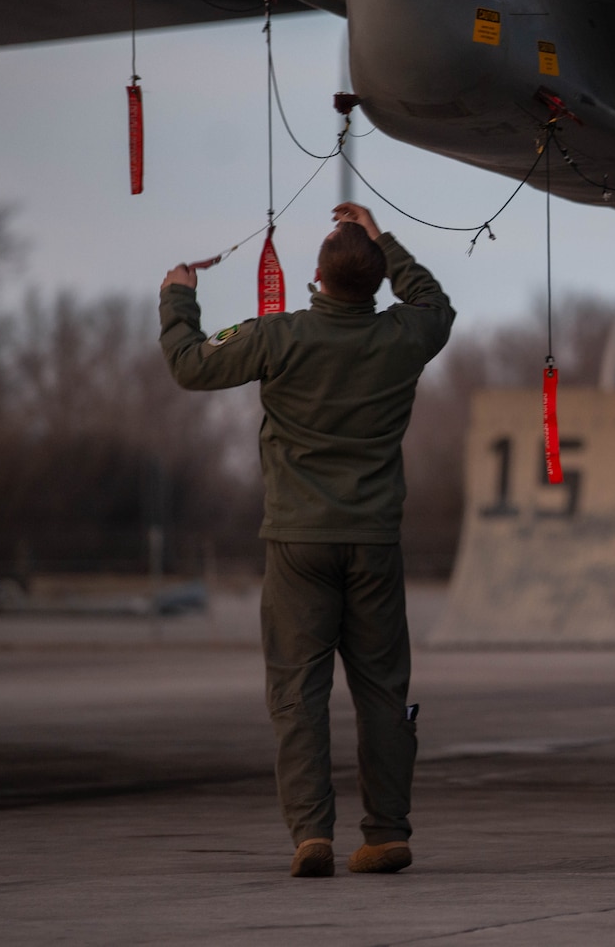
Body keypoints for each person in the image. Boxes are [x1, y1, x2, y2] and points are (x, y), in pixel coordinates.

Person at [158, 203, 454, 878]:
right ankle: (385, 833)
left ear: (315, 276)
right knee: (387, 691)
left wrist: (178, 293)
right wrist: (386, 240)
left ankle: (311, 834)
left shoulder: (279, 335)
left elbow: (189, 365)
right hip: (375, 542)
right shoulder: (406, 334)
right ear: (378, 283)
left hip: (297, 543)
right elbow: (434, 300)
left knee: (298, 691)